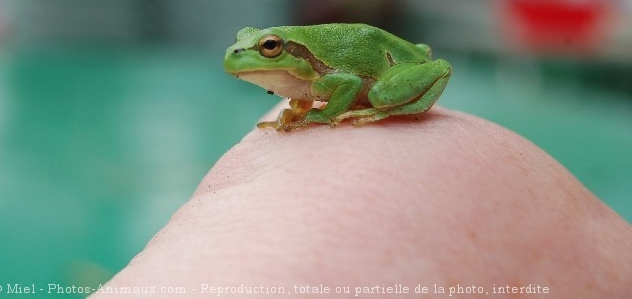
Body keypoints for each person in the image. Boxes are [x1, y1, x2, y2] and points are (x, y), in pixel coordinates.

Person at [93, 105, 632, 298]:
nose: (248, 54)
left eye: (271, 47)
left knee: (362, 89)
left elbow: (347, 79)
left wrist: (329, 115)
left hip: (384, 74)